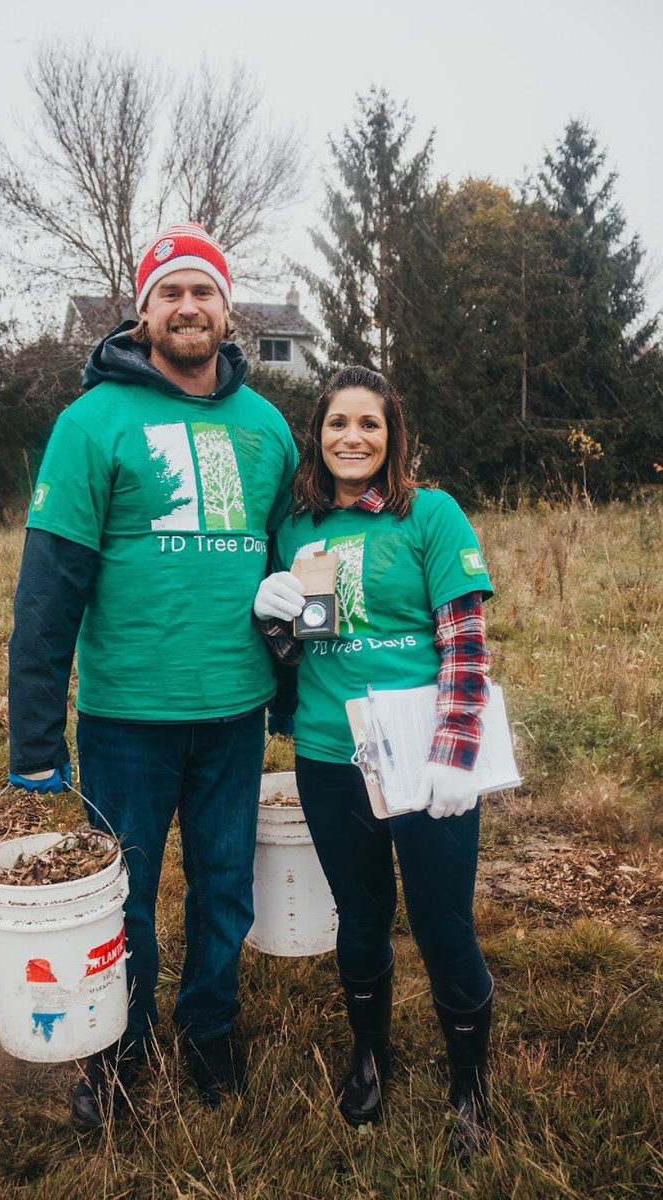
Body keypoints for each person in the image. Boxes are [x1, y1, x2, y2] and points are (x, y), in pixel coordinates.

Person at [7, 222, 298, 1131]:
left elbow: (295, 566)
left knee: (225, 887)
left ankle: (209, 1033)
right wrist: (34, 734)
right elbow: (48, 588)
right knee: (122, 895)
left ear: (227, 308)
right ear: (142, 312)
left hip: (233, 710)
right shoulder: (91, 422)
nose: (186, 306)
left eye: (201, 290)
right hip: (127, 717)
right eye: (168, 292)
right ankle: (120, 1052)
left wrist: (295, 697)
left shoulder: (267, 427)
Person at [253, 365, 494, 1162]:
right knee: (359, 919)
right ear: (315, 437)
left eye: (369, 424)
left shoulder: (429, 516)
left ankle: (469, 1085)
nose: (351, 437)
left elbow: (463, 644)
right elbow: (293, 652)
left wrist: (454, 754)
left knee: (440, 924)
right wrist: (272, 618)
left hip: (422, 760)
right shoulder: (295, 528)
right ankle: (370, 1056)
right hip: (329, 756)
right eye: (336, 424)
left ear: (391, 437)